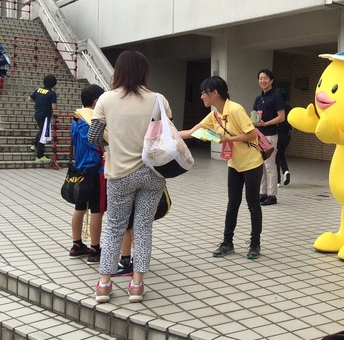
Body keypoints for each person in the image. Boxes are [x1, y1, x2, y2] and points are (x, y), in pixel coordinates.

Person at [88, 50, 168, 303]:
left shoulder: (105, 99)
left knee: (114, 228)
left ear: (118, 71)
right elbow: (167, 135)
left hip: (119, 173)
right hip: (153, 172)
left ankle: (103, 284)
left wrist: (112, 144)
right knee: (143, 228)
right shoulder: (158, 99)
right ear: (144, 71)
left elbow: (93, 137)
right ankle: (136, 284)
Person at [180, 75, 264, 259]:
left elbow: (251, 135)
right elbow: (191, 132)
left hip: (252, 163)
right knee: (232, 203)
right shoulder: (215, 115)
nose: (202, 96)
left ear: (215, 93)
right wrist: (164, 135)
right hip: (234, 164)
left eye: (204, 92)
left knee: (253, 204)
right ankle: (227, 243)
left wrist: (229, 139)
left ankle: (255, 244)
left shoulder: (235, 109)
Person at [68, 84, 106, 262]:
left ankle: (77, 244)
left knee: (80, 208)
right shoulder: (93, 122)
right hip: (96, 170)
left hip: (80, 169)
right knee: (97, 210)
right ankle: (95, 249)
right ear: (97, 101)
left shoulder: (76, 120)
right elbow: (100, 143)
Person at [252, 69, 285, 206]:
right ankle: (263, 192)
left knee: (270, 165)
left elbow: (282, 117)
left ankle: (272, 195)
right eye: (260, 78)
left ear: (271, 80)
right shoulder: (258, 98)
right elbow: (253, 115)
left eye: (265, 78)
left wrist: (266, 123)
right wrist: (255, 122)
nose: (262, 81)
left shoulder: (276, 96)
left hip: (271, 134)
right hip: (259, 135)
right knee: (261, 165)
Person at [28, 73, 58, 163]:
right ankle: (39, 156)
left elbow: (29, 99)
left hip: (37, 114)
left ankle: (34, 144)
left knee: (42, 130)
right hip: (45, 116)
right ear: (54, 84)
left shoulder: (38, 90)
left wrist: (38, 102)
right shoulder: (52, 93)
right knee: (43, 134)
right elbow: (54, 107)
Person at [275, 87, 292, 186]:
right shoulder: (289, 107)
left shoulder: (278, 107)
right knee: (281, 155)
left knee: (275, 157)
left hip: (278, 134)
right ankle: (286, 171)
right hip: (287, 135)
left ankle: (277, 180)